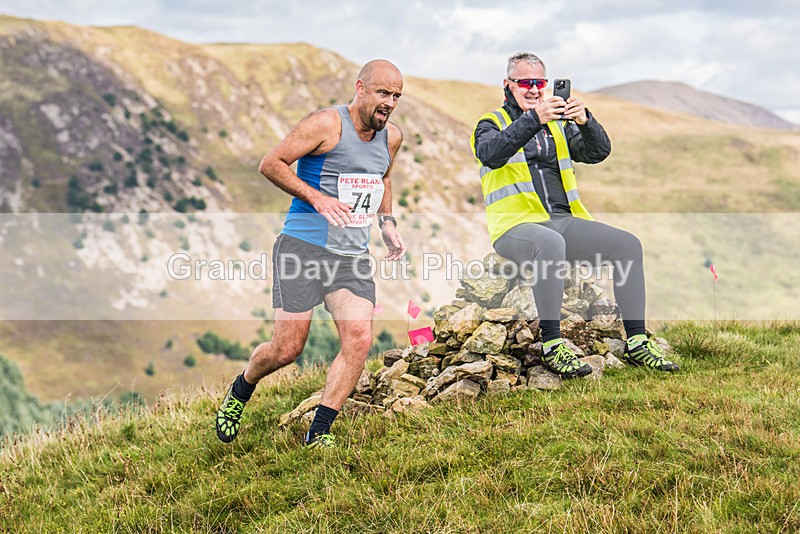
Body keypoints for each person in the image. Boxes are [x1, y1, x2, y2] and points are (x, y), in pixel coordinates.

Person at [215, 59, 406, 447]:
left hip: (350, 255)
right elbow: (271, 163)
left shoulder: (392, 137)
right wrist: (317, 197)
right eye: (383, 93)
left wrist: (387, 223)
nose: (389, 103)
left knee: (358, 339)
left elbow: (383, 177)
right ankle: (242, 387)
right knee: (286, 349)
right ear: (361, 88)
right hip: (303, 247)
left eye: (397, 96)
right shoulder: (326, 124)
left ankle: (318, 434)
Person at [470, 52, 679, 378]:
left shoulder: (557, 126)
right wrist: (533, 119)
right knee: (550, 242)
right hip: (516, 226)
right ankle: (553, 345)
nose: (535, 89)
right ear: (508, 85)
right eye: (526, 82)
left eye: (540, 82)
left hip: (563, 220)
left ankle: (637, 341)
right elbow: (490, 154)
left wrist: (586, 120)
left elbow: (598, 152)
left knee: (628, 245)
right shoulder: (490, 123)